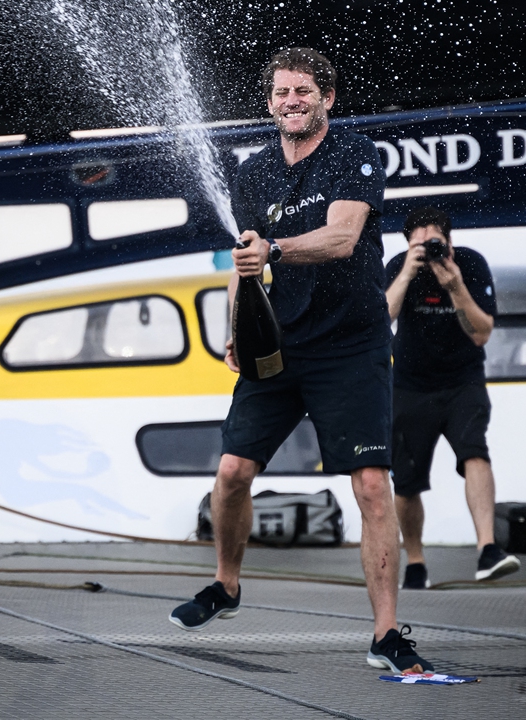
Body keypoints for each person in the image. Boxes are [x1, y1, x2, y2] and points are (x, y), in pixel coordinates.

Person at [169, 48, 432, 674]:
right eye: (282, 92)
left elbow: (342, 238)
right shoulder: (253, 171)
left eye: (304, 91)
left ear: (328, 98)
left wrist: (276, 250)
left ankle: (387, 633)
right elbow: (244, 257)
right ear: (269, 103)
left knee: (371, 485)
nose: (292, 101)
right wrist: (239, 325)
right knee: (232, 472)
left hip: (351, 346)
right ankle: (226, 587)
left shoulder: (355, 153)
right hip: (279, 347)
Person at [384, 206, 521, 588]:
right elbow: (381, 322)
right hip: (410, 386)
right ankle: (415, 560)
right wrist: (409, 271)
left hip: (463, 381)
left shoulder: (471, 266)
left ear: (449, 240)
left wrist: (455, 285)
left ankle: (487, 550)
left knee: (474, 452)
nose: (429, 251)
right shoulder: (398, 265)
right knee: (407, 482)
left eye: (436, 242)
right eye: (421, 243)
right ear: (407, 243)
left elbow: (481, 333)